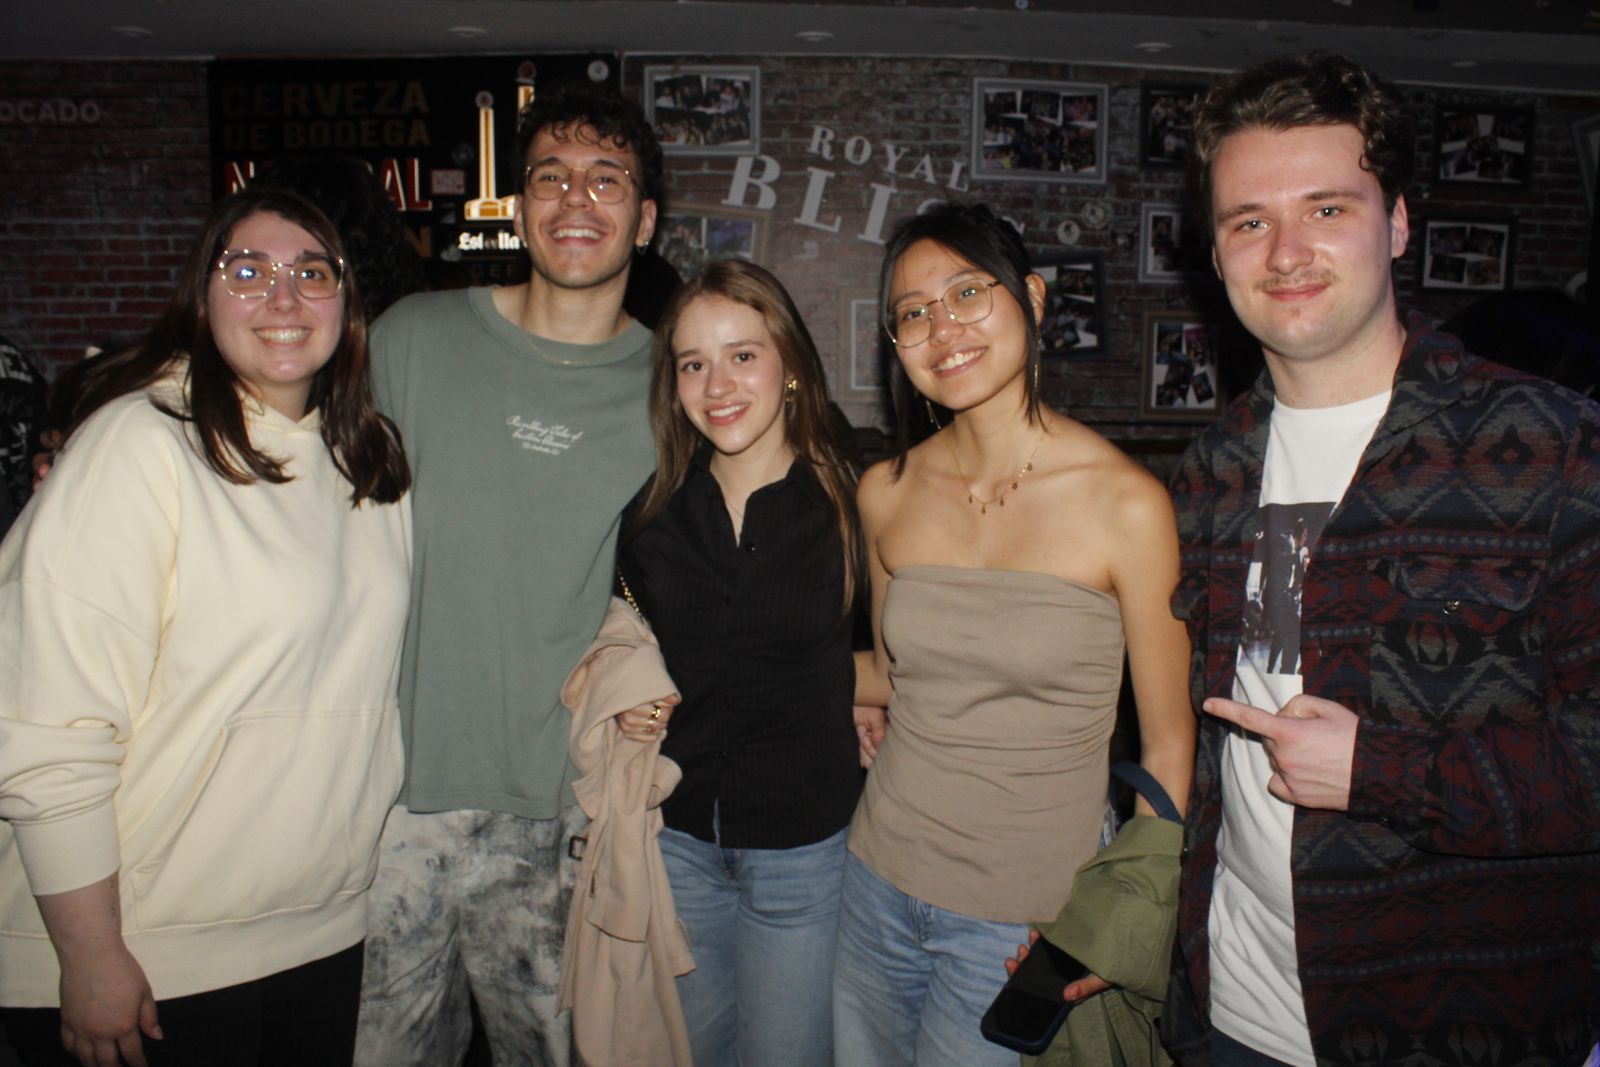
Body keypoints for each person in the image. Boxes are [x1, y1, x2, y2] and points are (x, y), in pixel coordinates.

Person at [1167, 52, 1600, 1067]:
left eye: (1325, 208)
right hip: (1223, 1013)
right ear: (1216, 251)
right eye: (1247, 221)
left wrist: (1383, 770)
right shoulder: (1210, 467)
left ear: (1397, 222)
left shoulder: (1556, 447)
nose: (1284, 251)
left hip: (1448, 1027)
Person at [0, 186, 412, 1067]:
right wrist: (89, 952)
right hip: (149, 951)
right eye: (248, 270)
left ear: (347, 300)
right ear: (202, 294)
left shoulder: (370, 462)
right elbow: (48, 731)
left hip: (319, 929)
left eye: (311, 271)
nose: (283, 296)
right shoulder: (140, 447)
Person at [834, 201, 1195, 1066]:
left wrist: (1117, 922)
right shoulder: (885, 489)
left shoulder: (1127, 505)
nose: (941, 328)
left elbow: (1172, 744)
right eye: (913, 312)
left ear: (1031, 299)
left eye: (967, 293)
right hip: (875, 882)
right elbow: (891, 672)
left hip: (1023, 921)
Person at [352, 85, 661, 1067]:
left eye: (607, 179)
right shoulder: (411, 338)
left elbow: (705, 574)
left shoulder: (675, 388)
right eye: (551, 177)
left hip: (561, 808)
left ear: (644, 220)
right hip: (390, 799)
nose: (577, 199)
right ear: (518, 206)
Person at [614, 259, 865, 1065]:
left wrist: (867, 697)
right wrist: (627, 688)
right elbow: (622, 641)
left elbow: (904, 655)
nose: (716, 383)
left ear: (789, 364)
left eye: (742, 354)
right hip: (677, 841)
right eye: (693, 362)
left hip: (804, 852)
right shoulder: (653, 509)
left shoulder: (856, 501)